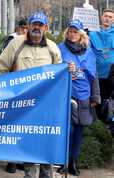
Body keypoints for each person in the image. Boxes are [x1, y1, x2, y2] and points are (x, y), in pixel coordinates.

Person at [0, 10, 74, 178]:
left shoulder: (53, 48)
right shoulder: (16, 44)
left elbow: (58, 76)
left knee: (46, 144)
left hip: (46, 107)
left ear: (46, 27)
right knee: (29, 145)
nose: (37, 28)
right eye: (34, 24)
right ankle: (29, 175)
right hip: (23, 106)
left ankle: (47, 174)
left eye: (40, 25)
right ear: (28, 26)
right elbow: (0, 69)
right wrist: (9, 91)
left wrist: (68, 71)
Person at [58, 19, 100, 176]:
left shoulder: (89, 52)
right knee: (67, 130)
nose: (72, 34)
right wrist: (64, 68)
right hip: (66, 95)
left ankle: (73, 162)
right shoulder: (60, 48)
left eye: (75, 31)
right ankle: (63, 162)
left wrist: (95, 97)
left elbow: (94, 76)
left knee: (79, 132)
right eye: (70, 31)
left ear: (81, 34)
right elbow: (52, 68)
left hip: (84, 96)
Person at [89, 9, 114, 135]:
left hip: (111, 76)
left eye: (110, 17)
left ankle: (108, 127)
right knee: (96, 101)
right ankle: (96, 129)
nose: (108, 18)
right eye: (106, 16)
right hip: (95, 74)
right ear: (101, 17)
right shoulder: (92, 34)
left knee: (109, 102)